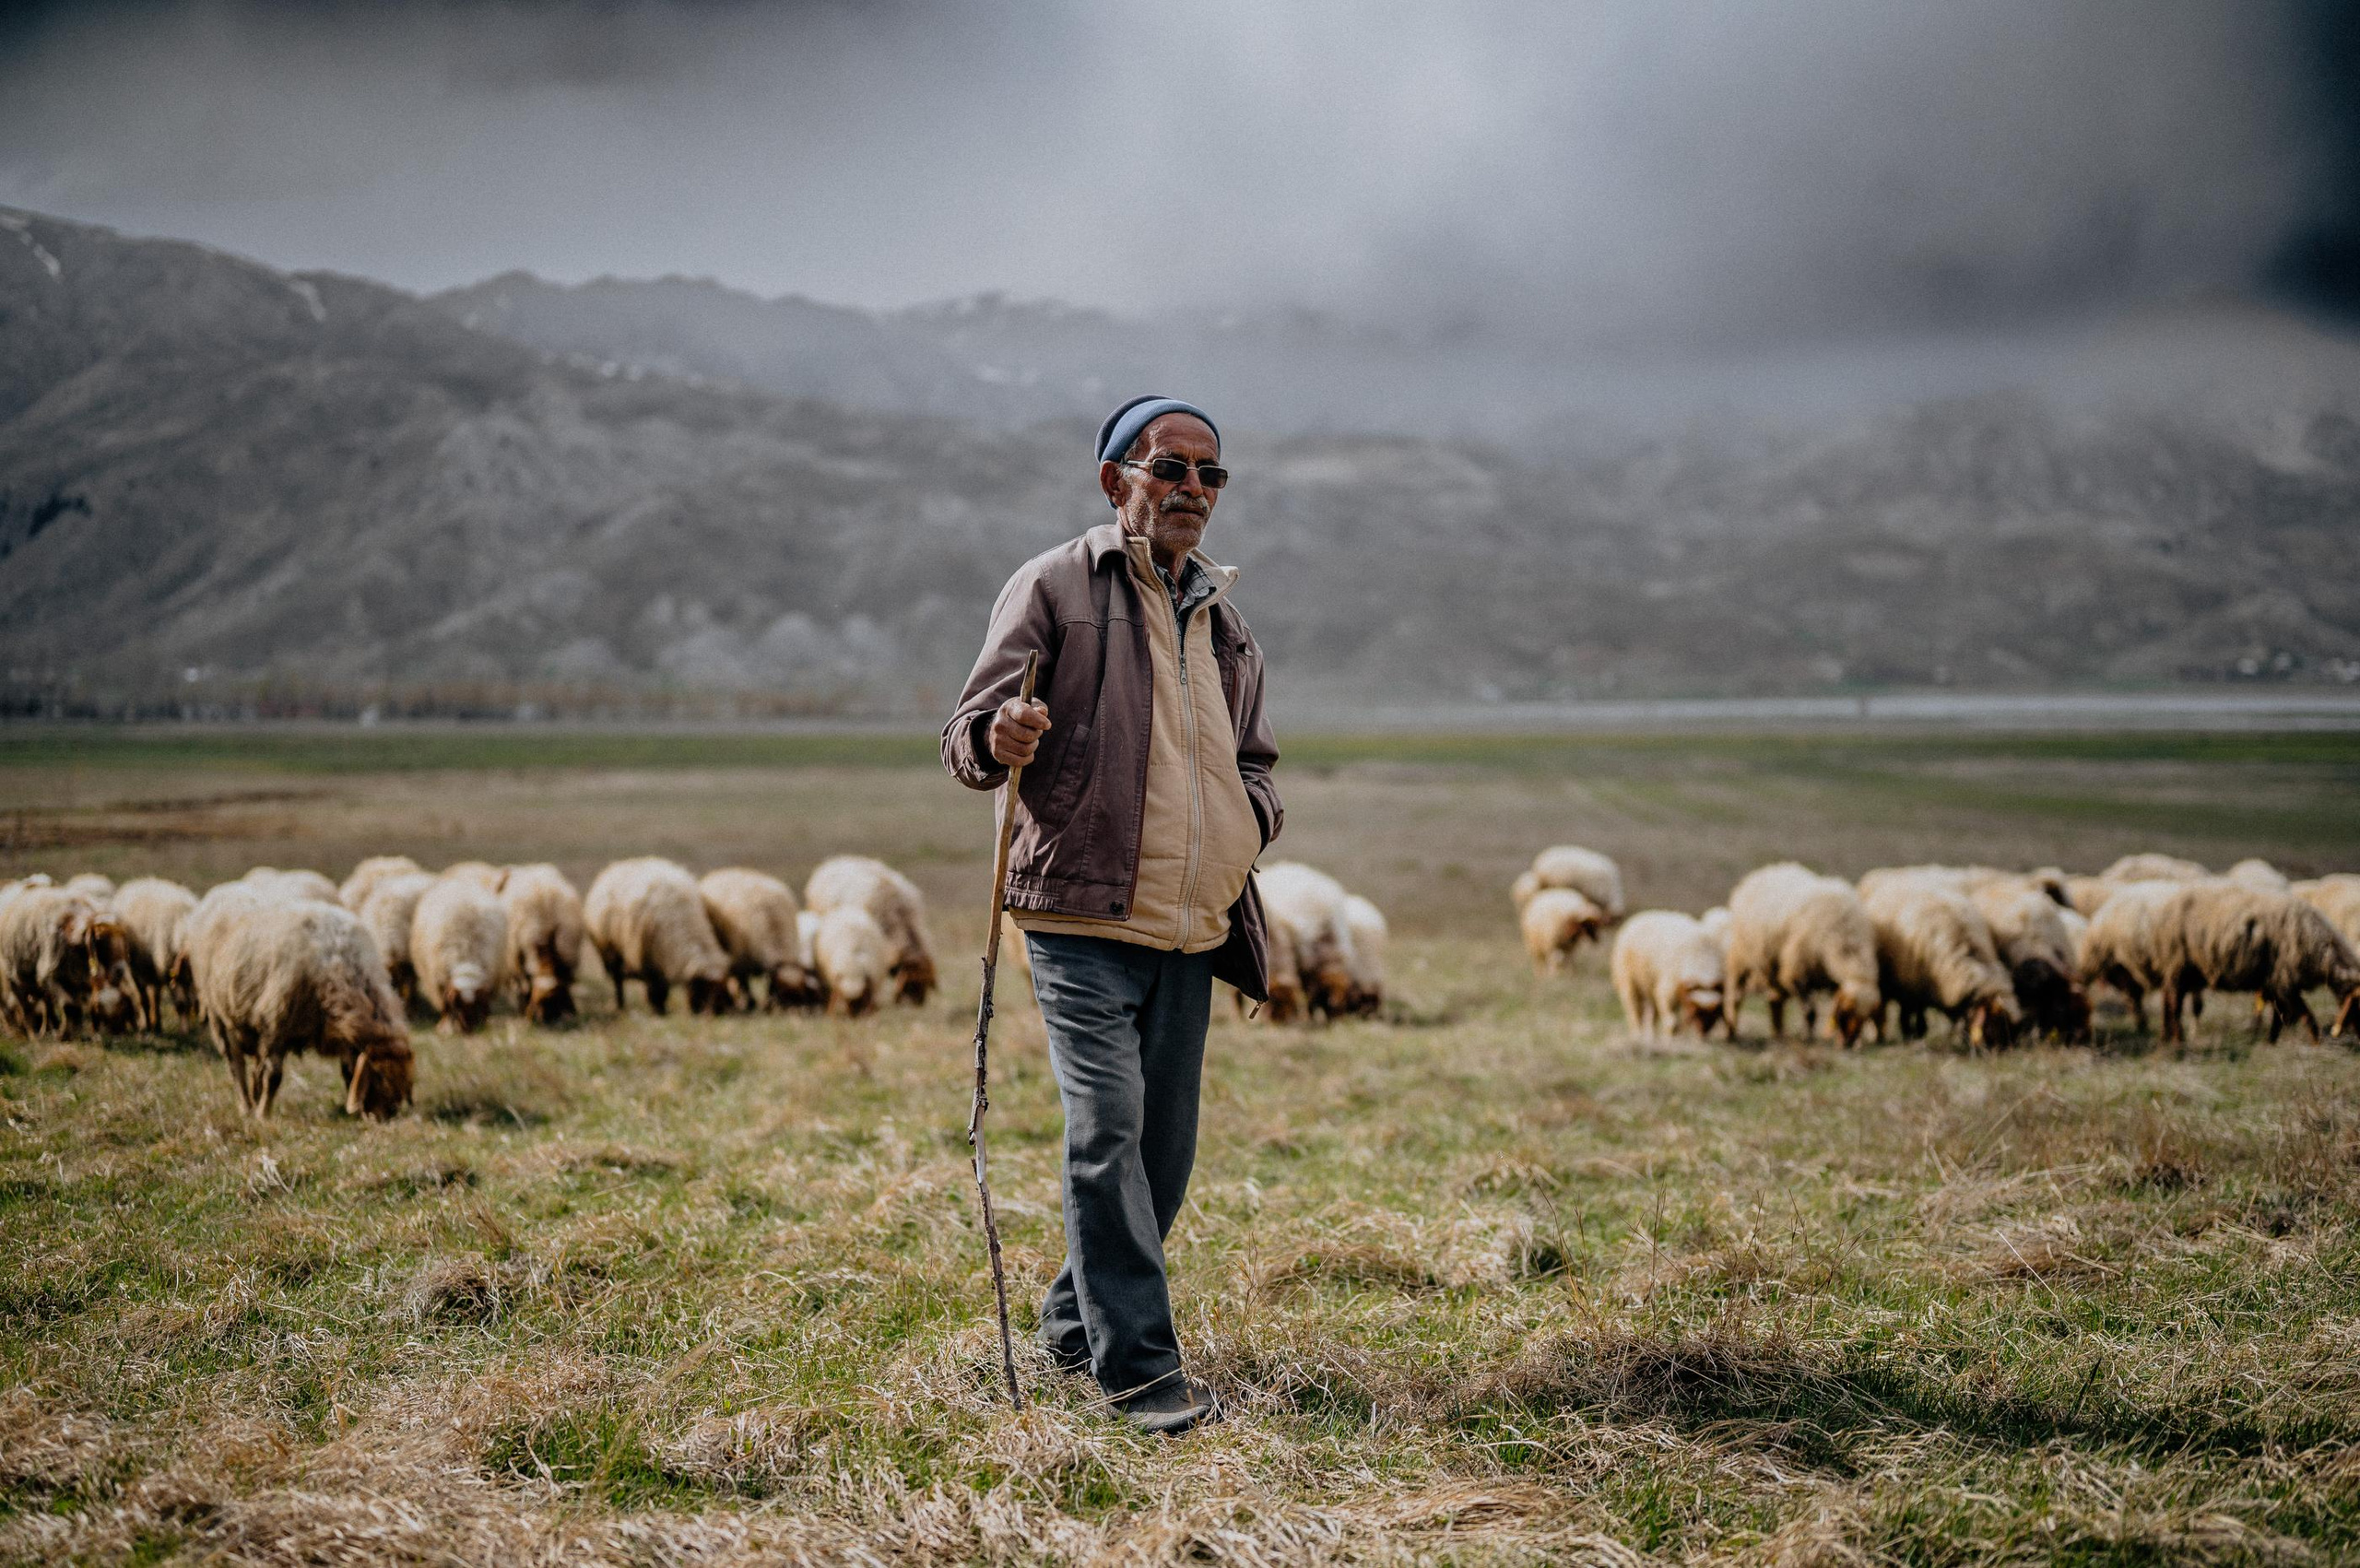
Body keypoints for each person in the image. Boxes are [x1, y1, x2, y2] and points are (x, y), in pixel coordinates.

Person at [941, 395, 1281, 1434]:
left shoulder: (1225, 625)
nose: (1190, 489)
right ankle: (1142, 1378)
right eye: (1168, 467)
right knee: (1107, 1133)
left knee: (1161, 1159)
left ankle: (1069, 1329)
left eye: (1209, 475)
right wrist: (999, 736)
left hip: (1190, 926)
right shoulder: (1053, 586)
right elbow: (967, 732)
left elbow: (1256, 762)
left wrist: (1247, 819)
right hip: (1078, 915)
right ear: (1115, 480)